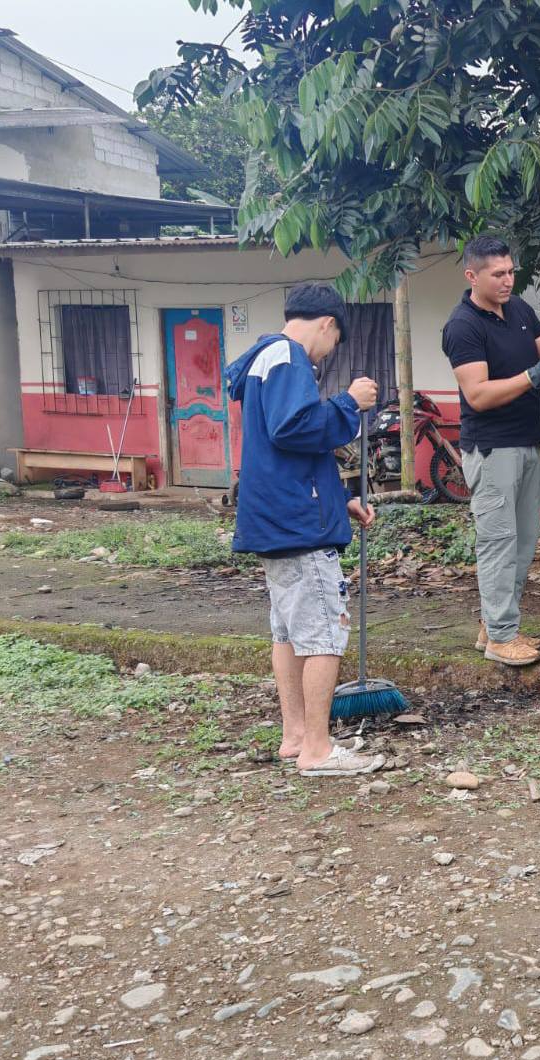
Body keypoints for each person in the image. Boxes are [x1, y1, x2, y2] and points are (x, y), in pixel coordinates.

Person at [227, 282, 386, 777]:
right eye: (334, 341)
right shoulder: (289, 356)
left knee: (288, 633)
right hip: (298, 527)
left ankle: (295, 735)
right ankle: (318, 748)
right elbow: (294, 428)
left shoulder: (263, 358)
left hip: (277, 517)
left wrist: (340, 501)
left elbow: (288, 453)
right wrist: (348, 403)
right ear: (327, 324)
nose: (328, 352)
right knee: (322, 635)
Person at [443, 234, 540, 667]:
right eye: (497, 274)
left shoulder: (519, 310)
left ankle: (495, 624)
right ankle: (500, 638)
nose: (507, 280)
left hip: (527, 441)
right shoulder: (463, 326)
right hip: (492, 448)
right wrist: (534, 375)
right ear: (472, 275)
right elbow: (478, 395)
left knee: (523, 542)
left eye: (511, 271)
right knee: (498, 542)